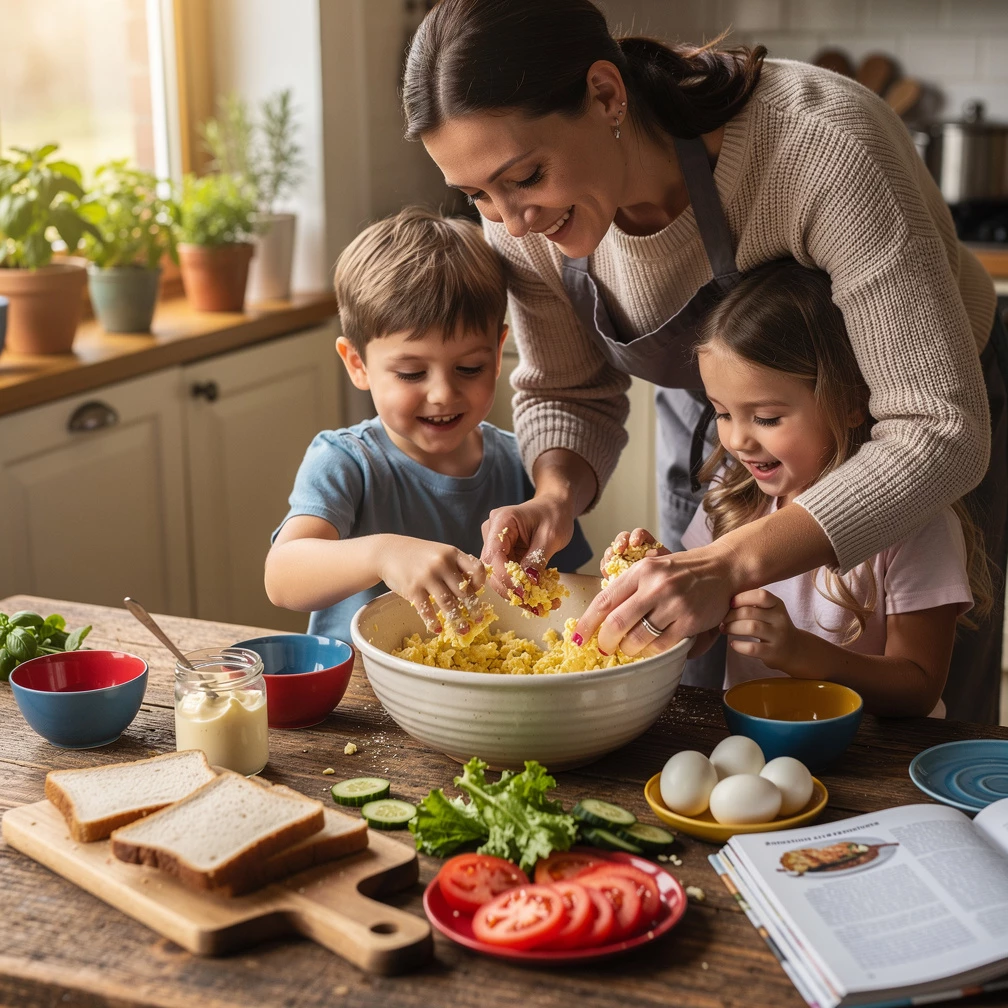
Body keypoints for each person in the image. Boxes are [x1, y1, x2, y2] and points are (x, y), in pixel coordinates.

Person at [402, 0, 1007, 721]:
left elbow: (938, 430)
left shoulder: (823, 147)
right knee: (700, 694)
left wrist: (728, 562)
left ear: (606, 94)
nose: (510, 223)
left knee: (929, 733)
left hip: (912, 433)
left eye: (528, 176)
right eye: (477, 195)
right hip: (724, 437)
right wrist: (554, 497)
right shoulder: (515, 224)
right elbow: (569, 388)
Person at [611, 260, 991, 717]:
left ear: (851, 402)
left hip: (875, 752)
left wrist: (800, 653)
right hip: (759, 747)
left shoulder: (914, 521)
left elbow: (918, 688)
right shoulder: (734, 495)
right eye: (722, 413)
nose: (737, 440)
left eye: (766, 418)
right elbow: (700, 637)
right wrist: (662, 588)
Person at [264, 206, 591, 644]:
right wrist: (382, 554)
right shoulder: (346, 462)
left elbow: (567, 596)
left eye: (470, 368)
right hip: (361, 683)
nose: (442, 393)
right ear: (357, 364)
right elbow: (281, 577)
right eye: (412, 373)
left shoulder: (526, 464)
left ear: (498, 353)